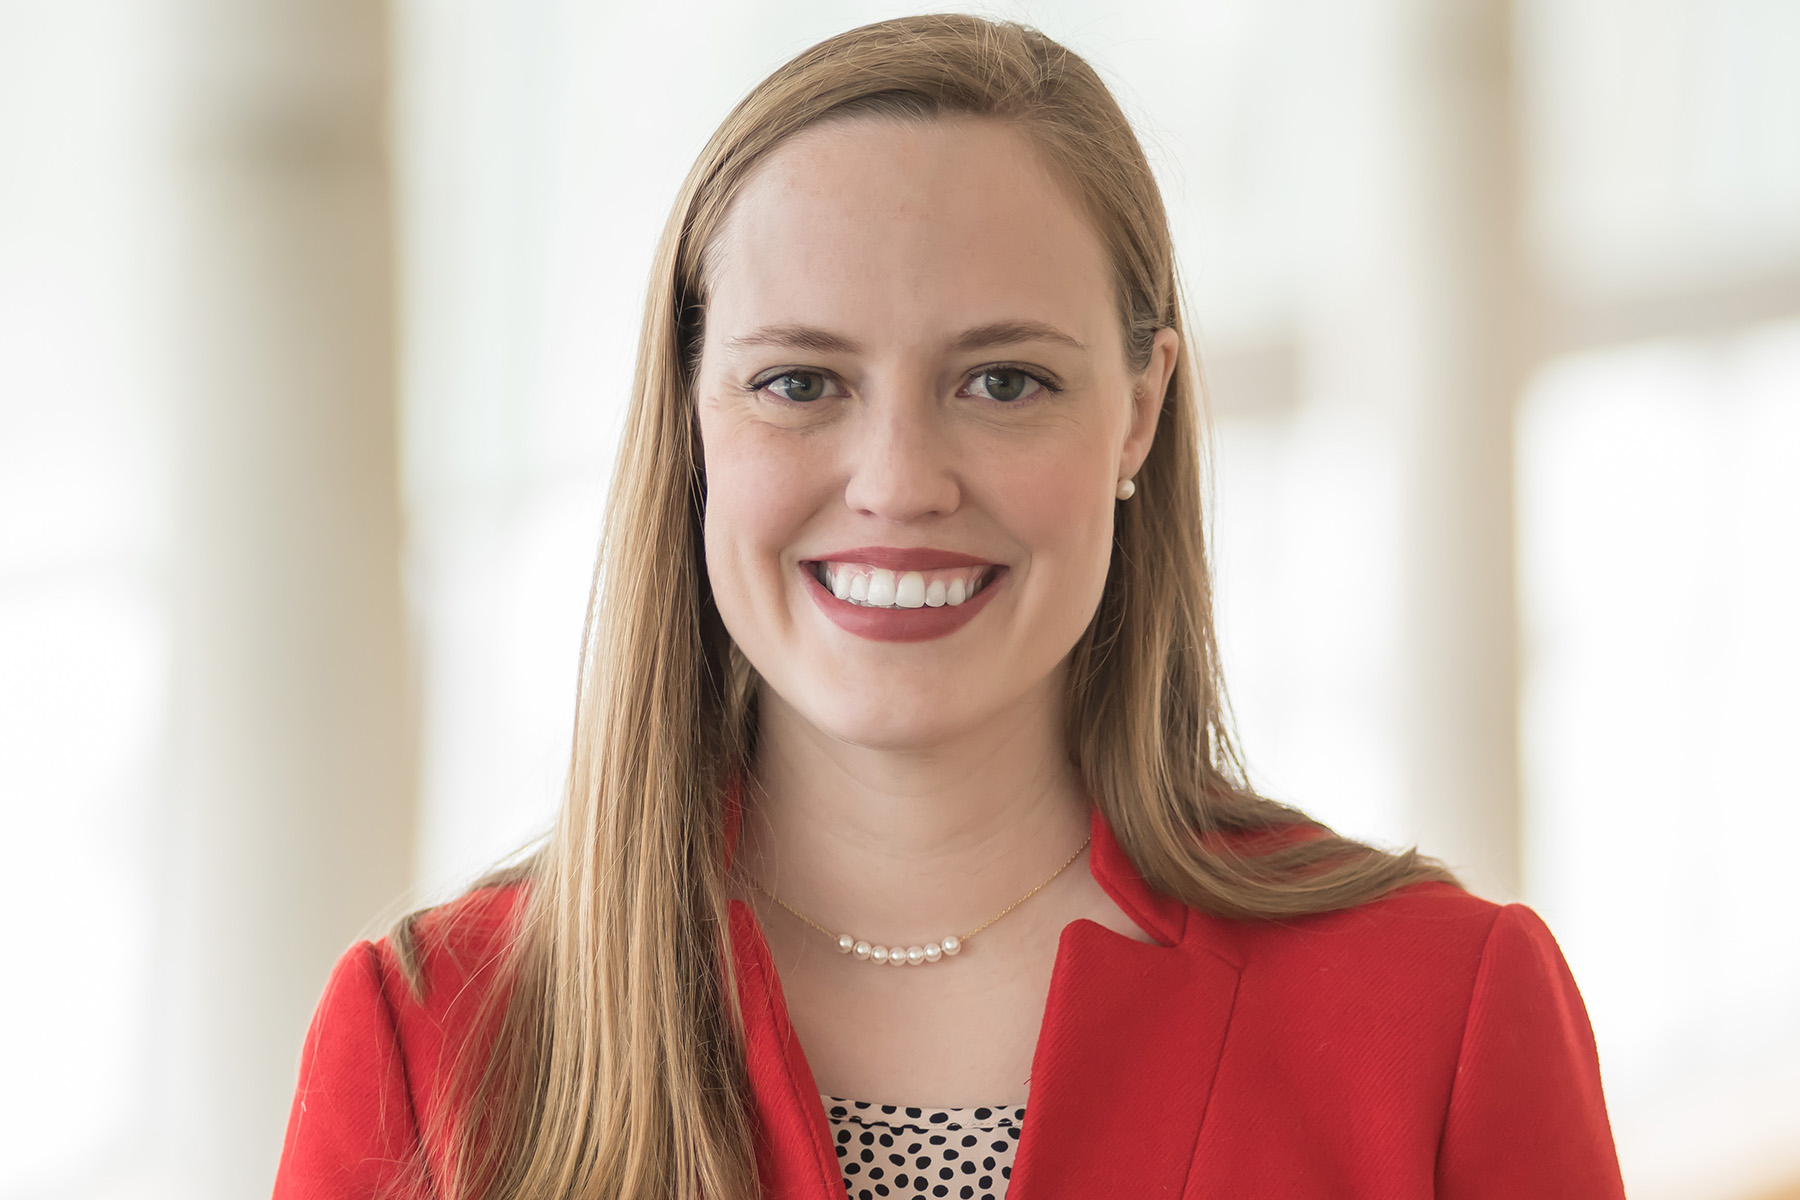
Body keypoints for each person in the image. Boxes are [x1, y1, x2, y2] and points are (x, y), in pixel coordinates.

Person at [273, 14, 1624, 1200]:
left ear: (1139, 412)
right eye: (801, 382)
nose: (900, 483)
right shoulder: (435, 1039)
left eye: (1005, 382)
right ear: (691, 419)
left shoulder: (1440, 1011)